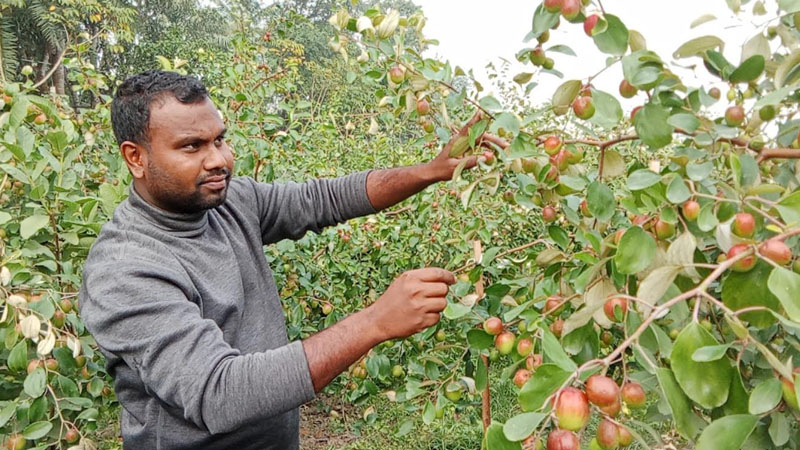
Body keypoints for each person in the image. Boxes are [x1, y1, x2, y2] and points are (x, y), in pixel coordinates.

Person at [78, 70, 505, 449]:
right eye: (192, 146)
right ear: (136, 157)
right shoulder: (124, 269)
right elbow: (218, 393)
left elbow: (322, 199)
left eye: (220, 140)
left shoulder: (228, 202)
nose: (219, 160)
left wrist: (431, 170)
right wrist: (375, 322)